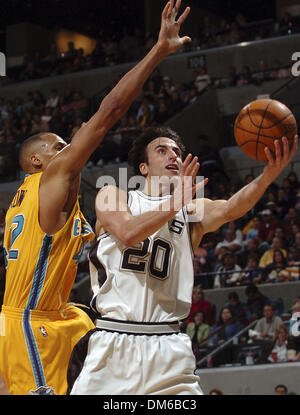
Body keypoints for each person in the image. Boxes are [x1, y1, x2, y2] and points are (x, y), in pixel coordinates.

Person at [68, 19, 298, 398]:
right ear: (143, 167)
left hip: (169, 348)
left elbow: (232, 208)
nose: (173, 155)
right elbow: (126, 233)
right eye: (163, 150)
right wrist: (175, 201)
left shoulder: (191, 208)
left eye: (177, 150)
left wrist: (268, 176)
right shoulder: (113, 195)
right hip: (114, 343)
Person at [0, 0, 185, 396]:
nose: (70, 148)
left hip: (61, 315)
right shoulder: (52, 179)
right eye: (61, 145)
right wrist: (158, 52)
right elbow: (111, 109)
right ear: (37, 160)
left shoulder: (33, 198)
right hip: (33, 323)